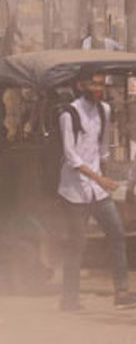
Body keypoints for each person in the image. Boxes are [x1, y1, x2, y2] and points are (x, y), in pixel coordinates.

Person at [58, 68, 135, 310]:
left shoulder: (104, 110)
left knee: (117, 235)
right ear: (81, 85)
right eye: (93, 84)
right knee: (77, 244)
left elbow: (102, 151)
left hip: (98, 190)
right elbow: (72, 157)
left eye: (100, 84)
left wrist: (113, 176)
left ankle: (121, 291)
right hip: (75, 190)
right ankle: (69, 299)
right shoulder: (69, 114)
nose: (98, 89)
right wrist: (101, 179)